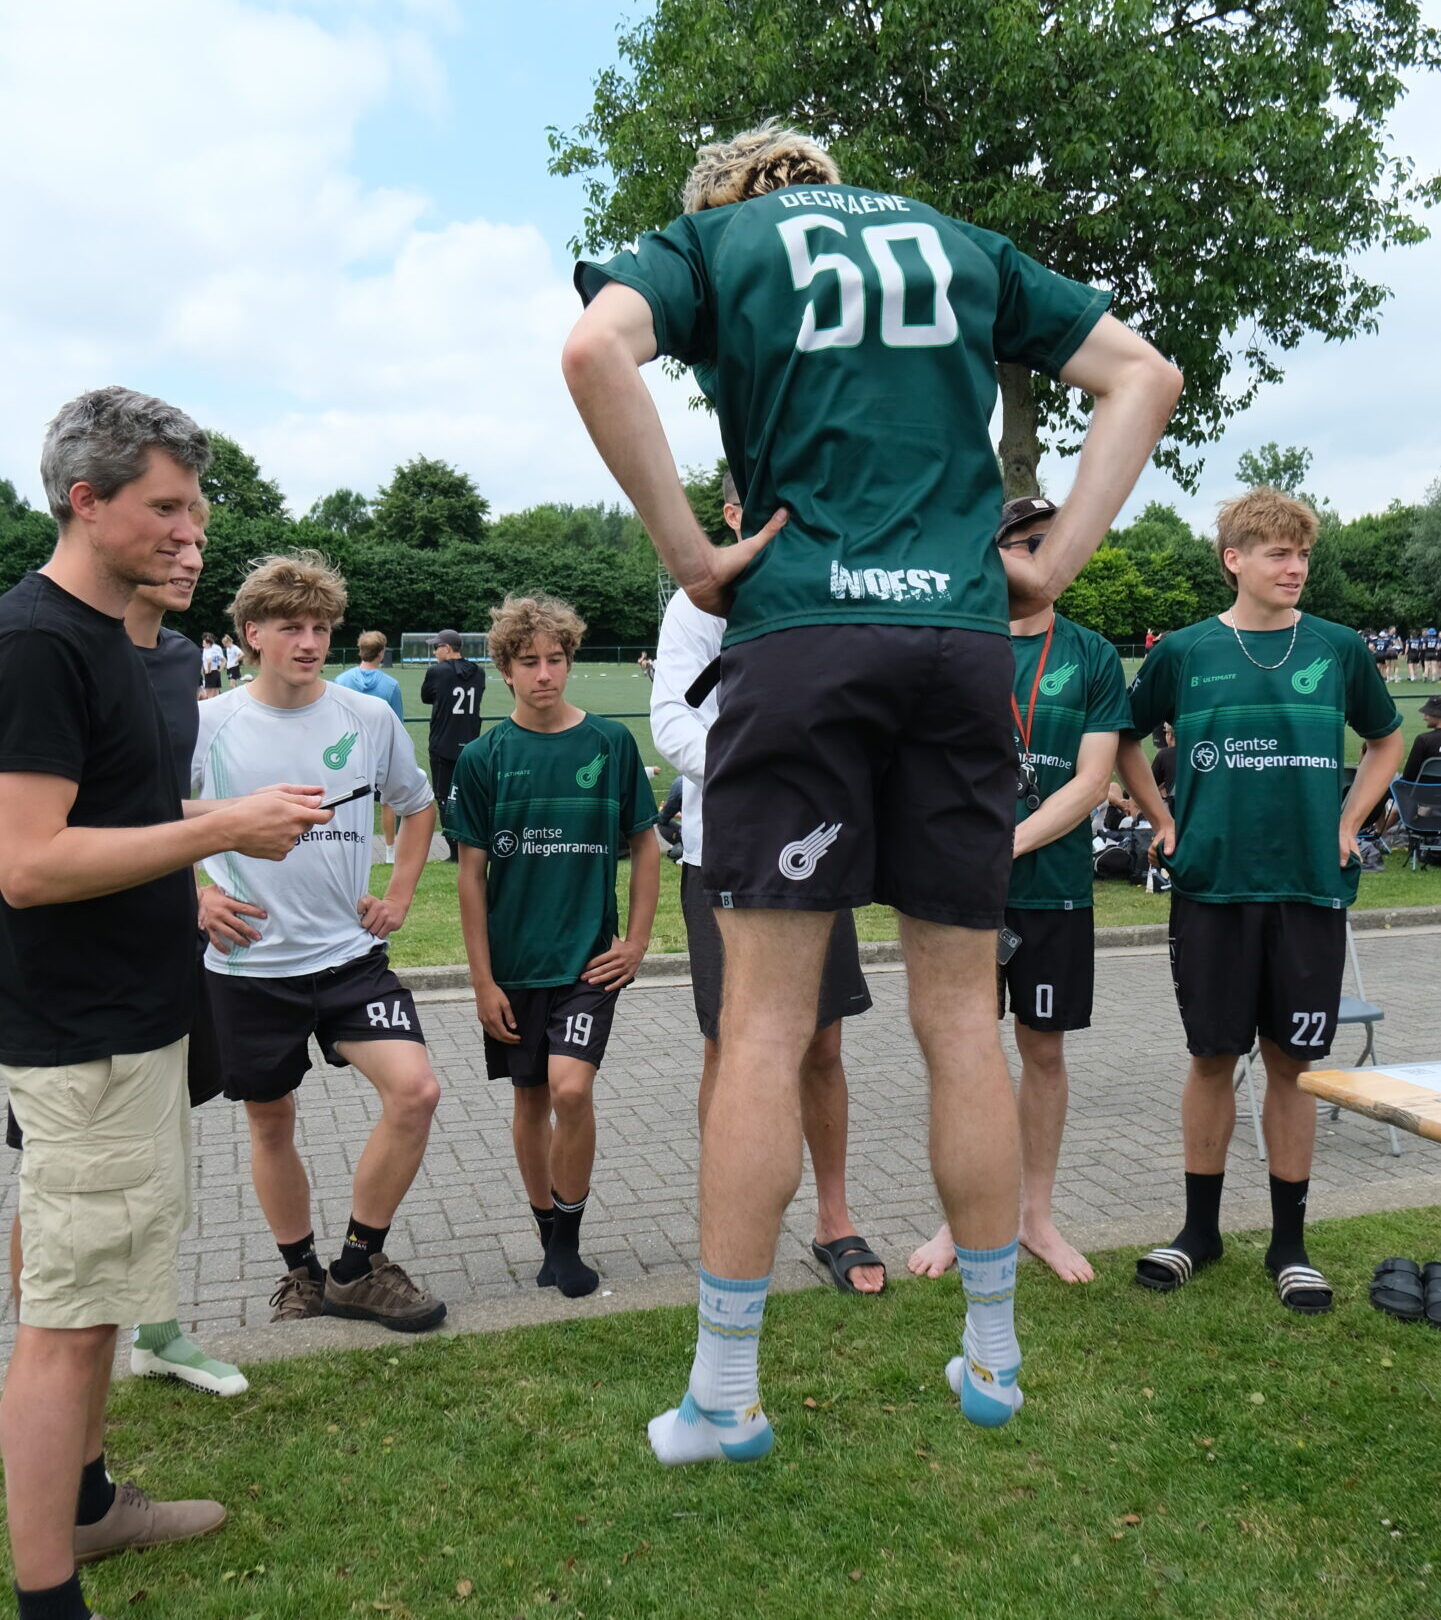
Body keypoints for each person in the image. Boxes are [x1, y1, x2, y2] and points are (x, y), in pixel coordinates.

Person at [563, 119, 1181, 1460]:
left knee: (762, 1031)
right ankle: (993, 1354)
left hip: (804, 637)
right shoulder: (956, 244)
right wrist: (1052, 562)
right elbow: (1145, 372)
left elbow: (591, 351)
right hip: (958, 646)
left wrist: (692, 556)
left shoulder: (712, 242)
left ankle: (725, 1392)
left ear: (725, 196)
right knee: (960, 1019)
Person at [0, 387, 329, 1620]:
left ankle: (91, 1506)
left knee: (101, 1302)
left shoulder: (125, 642)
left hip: (139, 1019)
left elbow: (111, 814)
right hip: (80, 1038)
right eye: (167, 508)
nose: (193, 533)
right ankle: (49, 1595)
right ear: (85, 503)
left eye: (198, 509)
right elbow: (26, 861)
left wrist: (200, 844)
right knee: (70, 1323)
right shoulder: (36, 644)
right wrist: (223, 828)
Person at [1129, 488, 1402, 1315]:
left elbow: (1385, 740)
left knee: (1291, 1064)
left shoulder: (1338, 648)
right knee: (1211, 1058)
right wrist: (1161, 819)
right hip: (1211, 886)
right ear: (1233, 559)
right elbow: (1119, 736)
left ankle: (1289, 1245)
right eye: (1278, 553)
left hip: (1308, 888)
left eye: (1302, 554)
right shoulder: (1184, 651)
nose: (1295, 568)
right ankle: (1197, 1232)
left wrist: (1349, 821)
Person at [193, 553, 446, 1333]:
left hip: (348, 959)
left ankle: (356, 1267)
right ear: (251, 634)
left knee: (416, 1091)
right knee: (271, 1123)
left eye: (321, 627)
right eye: (290, 627)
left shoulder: (366, 716)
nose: (308, 642)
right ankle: (300, 1273)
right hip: (249, 965)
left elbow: (418, 805)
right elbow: (150, 822)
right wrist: (195, 896)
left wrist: (398, 894)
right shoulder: (209, 724)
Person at [652, 470, 884, 1295]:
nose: (790, 519)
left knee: (823, 1043)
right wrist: (760, 775)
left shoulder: (834, 595)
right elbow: (671, 720)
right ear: (731, 514)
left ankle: (834, 1219)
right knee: (733, 1046)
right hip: (724, 849)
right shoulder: (698, 606)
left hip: (815, 847)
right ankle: (731, 1220)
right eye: (768, 505)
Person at [907, 496, 1137, 1286]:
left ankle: (1035, 1216)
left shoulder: (1092, 654)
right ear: (993, 552)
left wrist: (1004, 845)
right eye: (1028, 542)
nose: (1045, 554)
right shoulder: (952, 643)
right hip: (960, 895)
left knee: (1043, 1051)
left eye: (1055, 541)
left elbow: (1093, 781)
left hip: (1052, 888)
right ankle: (962, 1214)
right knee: (964, 1054)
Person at [449, 596, 660, 1300]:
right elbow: (471, 877)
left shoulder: (610, 744)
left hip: (586, 962)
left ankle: (567, 1241)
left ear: (569, 662)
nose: (544, 673)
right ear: (505, 670)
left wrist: (636, 942)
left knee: (572, 1087)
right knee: (531, 1097)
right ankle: (547, 1231)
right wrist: (482, 982)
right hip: (513, 967)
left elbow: (646, 847)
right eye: (529, 661)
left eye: (556, 659)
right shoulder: (483, 757)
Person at [335, 631, 407, 863]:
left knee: (348, 802)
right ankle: (389, 852)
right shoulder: (390, 685)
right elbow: (397, 723)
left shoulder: (341, 681)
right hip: (380, 752)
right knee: (387, 802)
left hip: (350, 751)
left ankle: (349, 847)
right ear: (381, 653)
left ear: (360, 650)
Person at [421, 629, 484, 862]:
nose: (434, 652)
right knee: (470, 796)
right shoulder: (478, 672)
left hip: (443, 743)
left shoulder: (437, 672)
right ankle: (475, 844)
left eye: (436, 647)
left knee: (445, 797)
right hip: (471, 743)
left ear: (447, 648)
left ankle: (455, 851)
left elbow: (426, 697)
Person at [1401, 695, 1441, 779]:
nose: (1425, 718)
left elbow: (1409, 775)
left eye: (1427, 714)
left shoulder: (1423, 740)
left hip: (1423, 787)